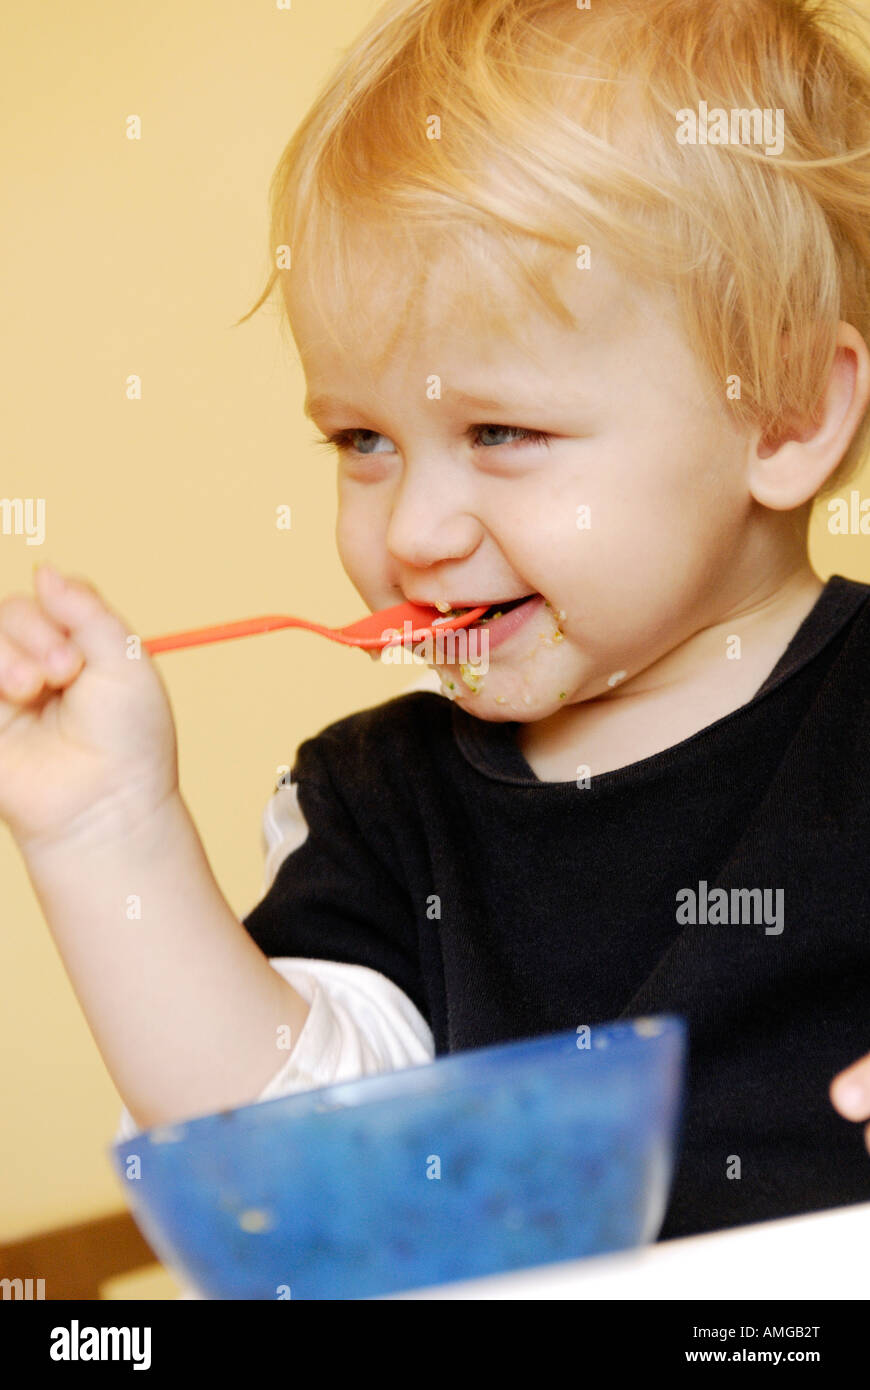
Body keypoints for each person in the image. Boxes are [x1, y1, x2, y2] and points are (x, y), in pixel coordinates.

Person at [3, 0, 870, 1243]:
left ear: (784, 414)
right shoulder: (375, 800)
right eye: (362, 440)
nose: (411, 530)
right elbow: (292, 1174)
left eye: (500, 432)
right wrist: (104, 832)